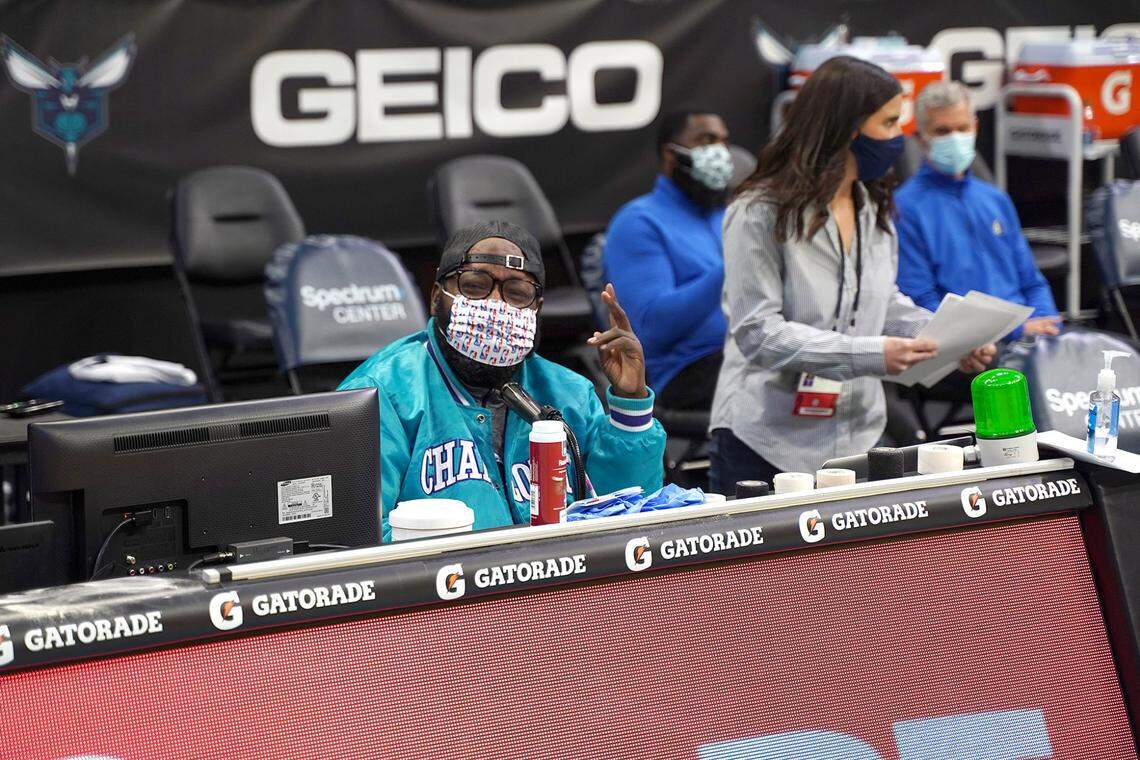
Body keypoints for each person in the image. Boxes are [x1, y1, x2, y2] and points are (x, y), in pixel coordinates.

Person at [709, 57, 995, 492]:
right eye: (889, 122)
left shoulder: (872, 203)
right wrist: (873, 354)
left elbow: (880, 302)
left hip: (858, 436)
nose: (900, 138)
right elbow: (758, 333)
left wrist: (945, 340)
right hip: (764, 442)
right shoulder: (758, 212)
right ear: (845, 128)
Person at [338, 220, 665, 541]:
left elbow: (627, 518)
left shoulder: (569, 393)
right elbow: (355, 538)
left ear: (537, 308)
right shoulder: (380, 393)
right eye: (475, 286)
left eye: (516, 292)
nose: (495, 304)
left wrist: (630, 406)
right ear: (437, 296)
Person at [896, 81, 1061, 339]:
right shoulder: (905, 208)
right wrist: (1014, 332)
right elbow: (922, 304)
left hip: (1028, 340)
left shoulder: (996, 199)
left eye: (962, 128)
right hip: (964, 351)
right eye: (942, 131)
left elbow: (1031, 282)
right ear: (920, 139)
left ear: (975, 127)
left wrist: (1048, 325)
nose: (955, 138)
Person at [603, 107, 733, 409]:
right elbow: (651, 329)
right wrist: (733, 266)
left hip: (747, 355)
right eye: (706, 140)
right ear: (670, 154)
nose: (720, 151)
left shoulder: (729, 215)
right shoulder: (638, 222)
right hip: (685, 372)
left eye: (723, 141)